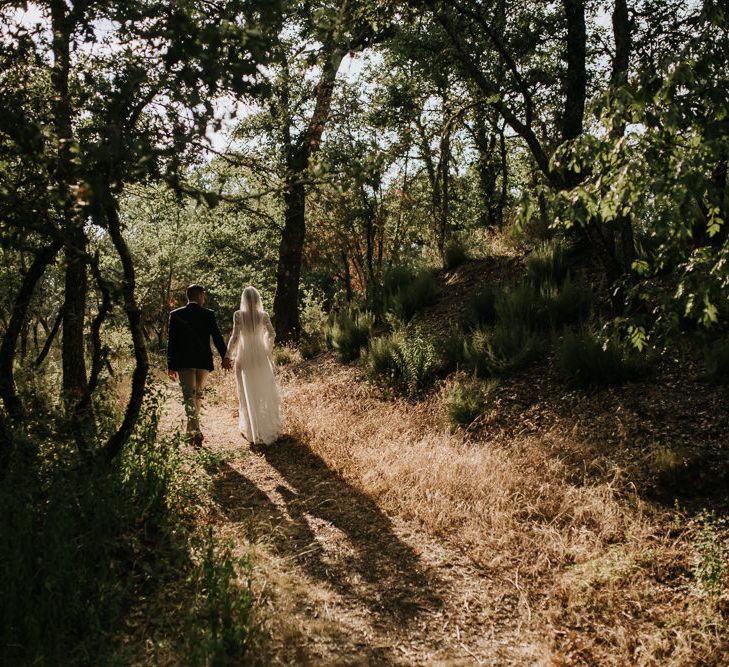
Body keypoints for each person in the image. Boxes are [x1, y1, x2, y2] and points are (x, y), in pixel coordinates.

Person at [167, 284, 232, 445]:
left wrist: (171, 364)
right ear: (199, 296)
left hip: (183, 362)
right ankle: (196, 431)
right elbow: (217, 337)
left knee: (190, 396)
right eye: (203, 295)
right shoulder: (208, 314)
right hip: (203, 361)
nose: (204, 298)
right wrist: (225, 356)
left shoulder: (175, 314)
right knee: (197, 395)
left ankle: (192, 431)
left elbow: (172, 342)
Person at [225, 286, 281, 445]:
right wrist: (266, 349)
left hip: (244, 357)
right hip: (261, 357)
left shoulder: (238, 315)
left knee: (246, 391)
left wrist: (228, 355)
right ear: (257, 300)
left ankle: (252, 429)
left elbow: (235, 337)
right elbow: (272, 333)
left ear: (243, 300)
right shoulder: (263, 316)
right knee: (263, 390)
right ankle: (266, 427)